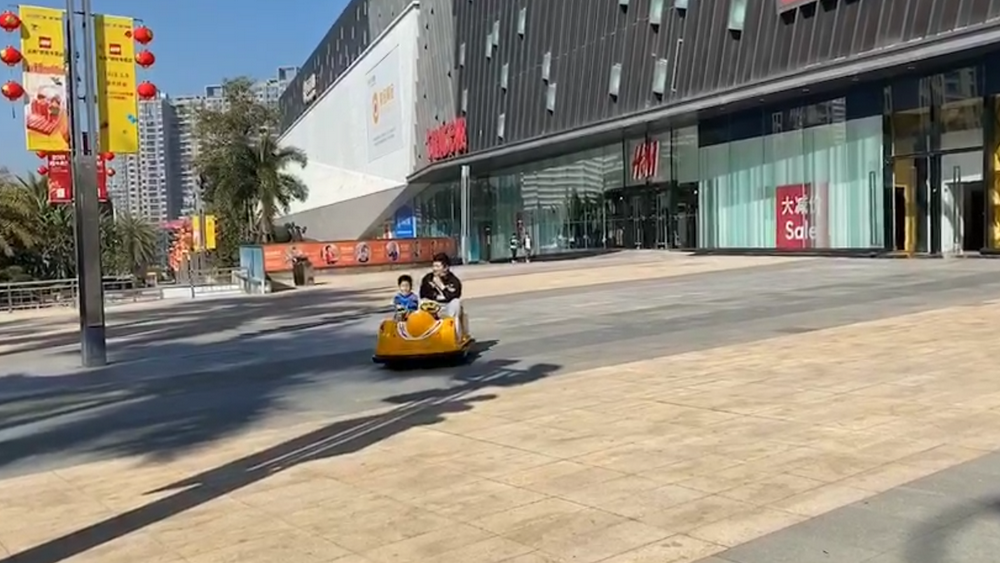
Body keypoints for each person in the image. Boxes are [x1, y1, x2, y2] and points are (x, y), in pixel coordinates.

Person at [420, 253, 464, 335]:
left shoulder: (454, 281)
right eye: (434, 266)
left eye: (437, 266)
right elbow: (423, 294)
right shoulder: (428, 278)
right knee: (422, 302)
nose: (434, 269)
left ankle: (456, 334)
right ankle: (422, 334)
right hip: (433, 306)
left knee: (456, 303)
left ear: (446, 267)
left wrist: (441, 285)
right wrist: (433, 295)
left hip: (447, 307)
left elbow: (452, 296)